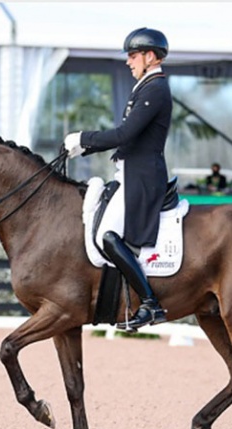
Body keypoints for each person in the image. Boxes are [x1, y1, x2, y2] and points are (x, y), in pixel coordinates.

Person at [63, 27, 171, 331]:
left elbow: (125, 134)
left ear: (150, 57)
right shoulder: (145, 87)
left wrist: (84, 138)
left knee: (107, 235)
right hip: (130, 174)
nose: (128, 61)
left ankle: (149, 304)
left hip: (143, 179)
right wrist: (83, 147)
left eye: (133, 55)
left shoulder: (155, 89)